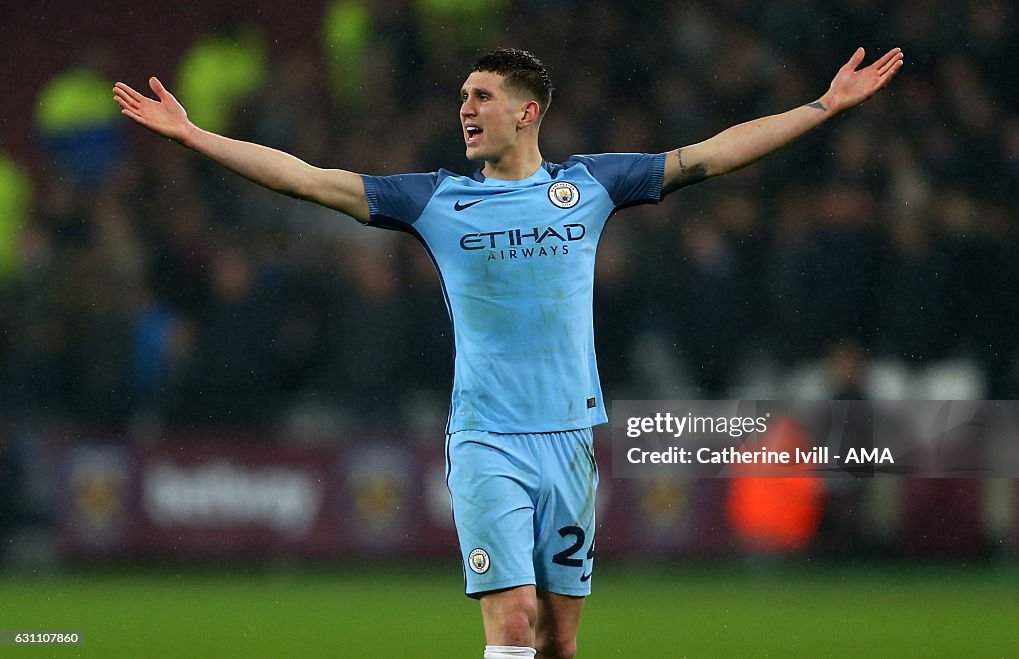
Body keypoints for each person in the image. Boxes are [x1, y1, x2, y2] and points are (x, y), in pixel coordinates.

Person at [114, 45, 902, 659]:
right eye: (462, 97)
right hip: (486, 436)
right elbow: (310, 181)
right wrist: (195, 136)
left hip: (569, 438)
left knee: (559, 639)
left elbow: (712, 154)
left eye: (480, 96)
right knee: (513, 619)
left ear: (528, 112)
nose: (465, 109)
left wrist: (823, 106)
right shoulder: (435, 199)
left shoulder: (589, 185)